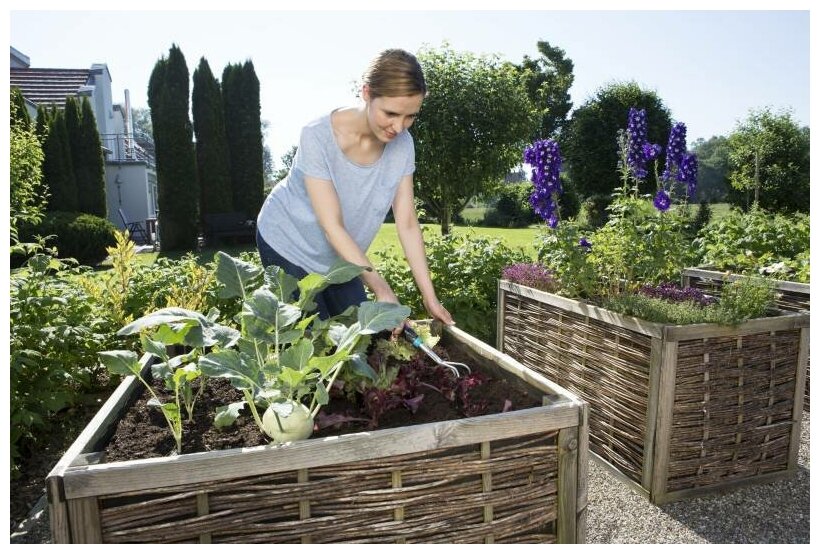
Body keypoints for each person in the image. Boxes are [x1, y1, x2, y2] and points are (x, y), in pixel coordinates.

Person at [256, 48, 454, 328]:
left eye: (410, 117)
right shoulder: (317, 136)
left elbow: (407, 222)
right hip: (288, 241)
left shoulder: (403, 145)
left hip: (341, 256)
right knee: (312, 343)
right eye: (391, 113)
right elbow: (332, 226)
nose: (399, 127)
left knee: (359, 337)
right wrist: (382, 289)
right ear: (367, 93)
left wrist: (429, 297)